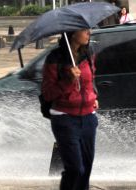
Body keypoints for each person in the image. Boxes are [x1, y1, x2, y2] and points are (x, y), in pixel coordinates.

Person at [41, 29, 99, 190]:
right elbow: (48, 94)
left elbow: (91, 80)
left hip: (88, 118)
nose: (89, 32)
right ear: (73, 34)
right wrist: (68, 80)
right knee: (75, 169)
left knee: (86, 169)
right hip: (64, 118)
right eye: (84, 30)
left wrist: (94, 96)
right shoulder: (55, 59)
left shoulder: (89, 53)